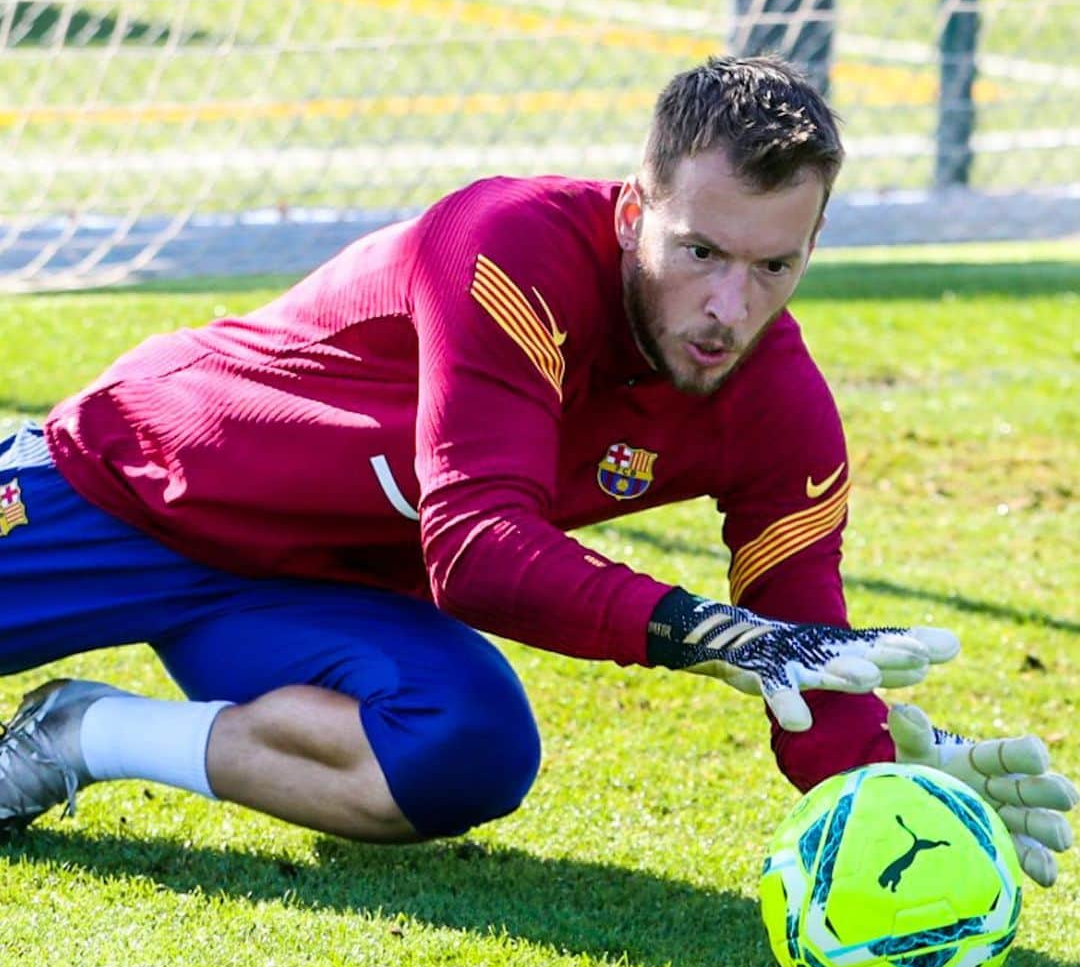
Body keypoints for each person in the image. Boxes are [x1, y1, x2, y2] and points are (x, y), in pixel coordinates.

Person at [1, 56, 1074, 884]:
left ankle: (83, 733)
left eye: (773, 267)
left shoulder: (782, 416)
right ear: (631, 212)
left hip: (311, 590)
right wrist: (709, 637)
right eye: (701, 251)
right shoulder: (506, 243)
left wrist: (887, 788)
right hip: (129, 484)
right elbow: (478, 551)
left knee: (464, 747)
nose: (729, 308)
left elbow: (807, 648)